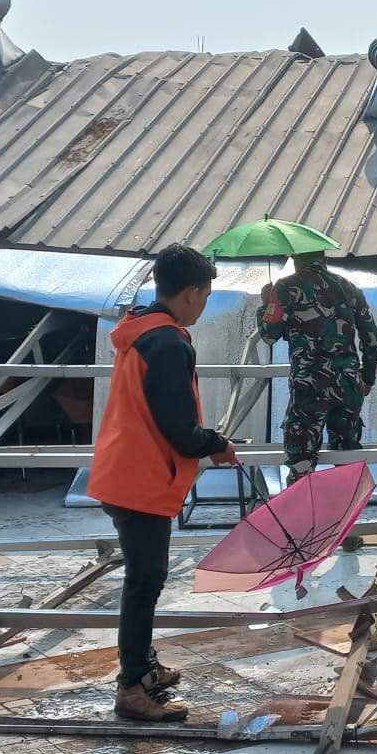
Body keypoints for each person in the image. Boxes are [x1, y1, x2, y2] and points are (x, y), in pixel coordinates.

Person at [88, 244, 238, 722]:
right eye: (206, 295)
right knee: (144, 582)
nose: (205, 304)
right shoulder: (170, 343)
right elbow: (179, 429)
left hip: (125, 470)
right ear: (192, 293)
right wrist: (215, 442)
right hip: (141, 478)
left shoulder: (142, 331)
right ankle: (132, 685)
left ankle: (144, 667)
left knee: (144, 579)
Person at [256, 250, 377, 494]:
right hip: (348, 386)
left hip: (308, 390)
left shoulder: (285, 288)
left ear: (295, 260)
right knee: (348, 460)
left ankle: (304, 528)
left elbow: (270, 334)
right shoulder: (350, 288)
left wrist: (265, 304)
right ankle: (346, 528)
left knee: (301, 463)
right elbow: (372, 338)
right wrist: (367, 378)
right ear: (324, 259)